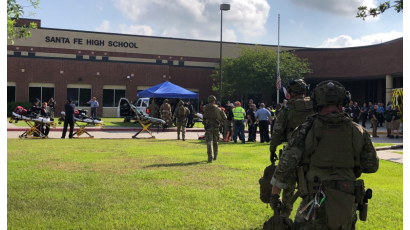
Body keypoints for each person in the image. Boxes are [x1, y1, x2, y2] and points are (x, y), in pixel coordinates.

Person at [269, 80, 379, 229]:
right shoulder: (358, 131)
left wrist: (275, 195)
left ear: (316, 102)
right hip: (346, 200)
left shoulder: (305, 129)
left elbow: (285, 165)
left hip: (315, 199)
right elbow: (372, 165)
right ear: (343, 102)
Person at [269, 79, 316, 217]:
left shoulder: (288, 108)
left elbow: (277, 132)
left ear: (291, 92)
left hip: (293, 151)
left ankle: (285, 215)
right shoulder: (315, 106)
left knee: (288, 184)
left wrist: (272, 149)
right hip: (314, 152)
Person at [202, 95, 226, 163]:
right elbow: (225, 117)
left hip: (208, 127)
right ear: (214, 101)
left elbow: (203, 115)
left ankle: (210, 158)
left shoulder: (204, 107)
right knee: (215, 142)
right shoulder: (218, 109)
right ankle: (215, 155)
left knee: (209, 142)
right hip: (216, 127)